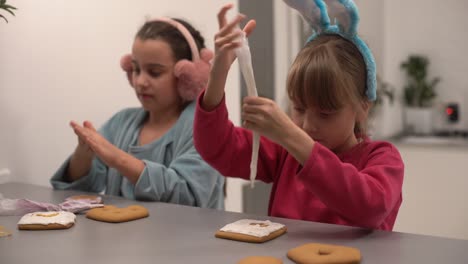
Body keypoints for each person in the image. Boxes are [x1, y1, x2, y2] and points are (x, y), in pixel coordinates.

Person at [193, 2, 404, 230]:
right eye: (299, 108)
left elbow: (369, 207)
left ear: (363, 107)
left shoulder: (383, 158)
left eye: (325, 113)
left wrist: (293, 138)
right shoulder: (285, 152)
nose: (307, 125)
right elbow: (217, 148)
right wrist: (218, 75)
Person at [51, 17, 225, 209]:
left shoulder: (203, 128)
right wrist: (84, 155)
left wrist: (118, 158)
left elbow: (187, 198)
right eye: (135, 69)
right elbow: (76, 194)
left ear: (188, 77)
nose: (140, 81)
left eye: (155, 72)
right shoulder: (121, 122)